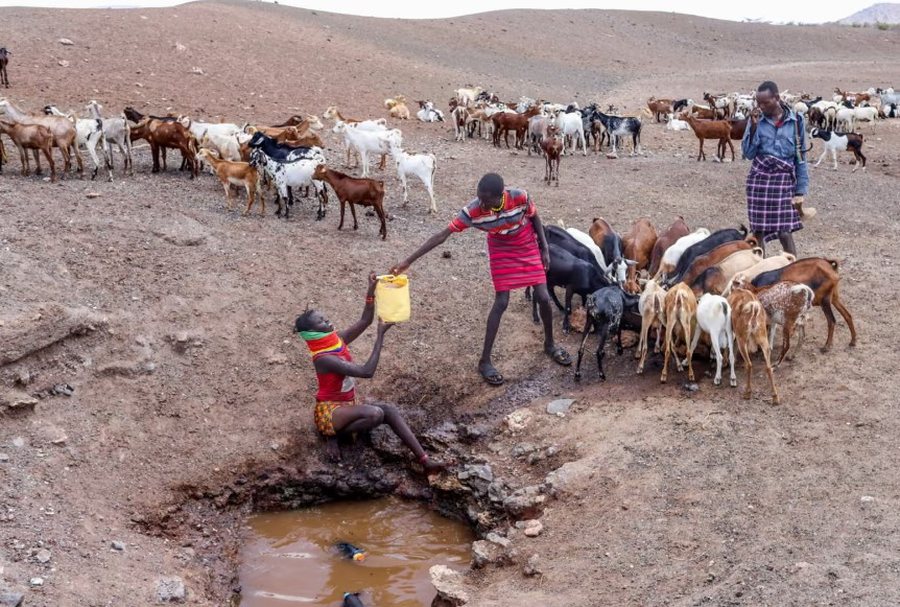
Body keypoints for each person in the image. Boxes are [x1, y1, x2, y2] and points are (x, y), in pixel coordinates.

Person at [390, 172, 571, 386]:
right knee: (501, 301)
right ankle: (485, 361)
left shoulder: (520, 197)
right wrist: (407, 262)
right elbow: (441, 236)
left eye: (486, 200)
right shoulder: (473, 210)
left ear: (501, 195)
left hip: (525, 242)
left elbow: (535, 217)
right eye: (479, 198)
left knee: (542, 296)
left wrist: (544, 248)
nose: (482, 204)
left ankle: (549, 344)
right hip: (500, 247)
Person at [294, 273, 444, 473]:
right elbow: (367, 371)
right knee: (375, 414)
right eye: (322, 322)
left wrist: (370, 290)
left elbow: (365, 320)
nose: (329, 323)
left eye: (326, 318)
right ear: (313, 332)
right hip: (329, 412)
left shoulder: (337, 340)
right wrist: (380, 337)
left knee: (388, 410)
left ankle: (425, 461)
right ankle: (332, 435)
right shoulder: (324, 358)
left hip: (347, 405)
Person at [742, 80, 814, 256]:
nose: (761, 106)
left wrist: (800, 190)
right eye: (759, 102)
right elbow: (748, 154)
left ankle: (793, 270)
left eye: (765, 102)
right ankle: (758, 270)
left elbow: (800, 157)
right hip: (759, 181)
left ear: (777, 98)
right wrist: (753, 126)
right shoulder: (756, 120)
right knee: (758, 230)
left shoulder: (796, 121)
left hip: (783, 181)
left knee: (784, 230)